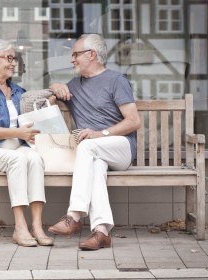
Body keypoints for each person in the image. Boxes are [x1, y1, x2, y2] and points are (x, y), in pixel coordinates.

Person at [48, 34, 141, 250]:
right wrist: (55, 85)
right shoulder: (74, 85)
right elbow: (48, 96)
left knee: (88, 146)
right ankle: (101, 232)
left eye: (76, 55)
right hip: (96, 153)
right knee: (96, 167)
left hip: (121, 147)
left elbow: (134, 121)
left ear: (92, 55)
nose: (72, 59)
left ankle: (74, 215)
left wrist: (101, 134)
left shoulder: (117, 81)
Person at [0, 39, 53, 247]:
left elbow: (33, 113)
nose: (13, 63)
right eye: (9, 58)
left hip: (15, 148)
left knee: (34, 158)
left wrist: (53, 94)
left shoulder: (17, 92)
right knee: (17, 160)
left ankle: (37, 226)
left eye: (14, 58)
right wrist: (18, 132)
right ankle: (20, 228)